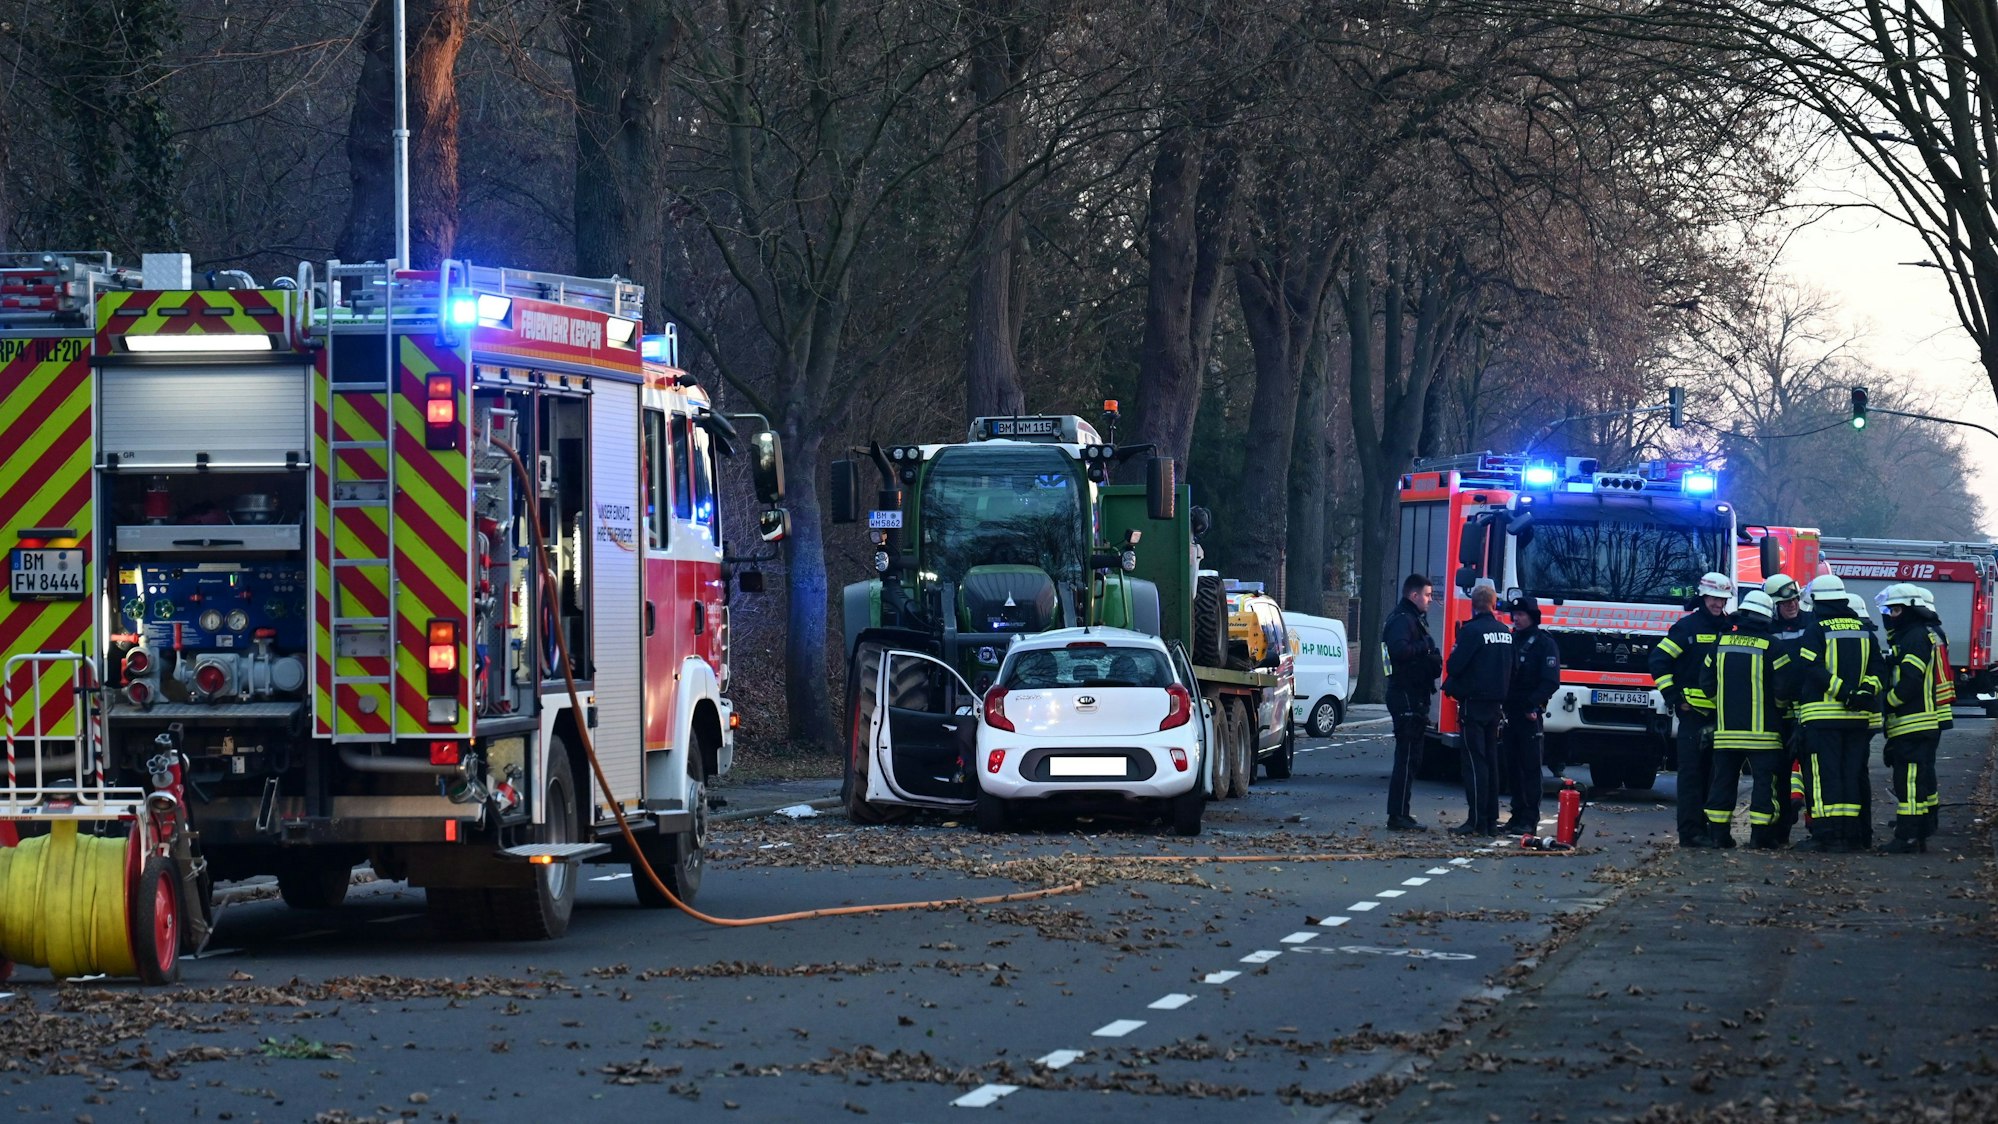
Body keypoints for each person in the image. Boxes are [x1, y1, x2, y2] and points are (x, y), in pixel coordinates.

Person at [1702, 590, 1826, 848]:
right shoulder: (1772, 646)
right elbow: (1783, 689)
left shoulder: (1720, 643)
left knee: (1722, 783)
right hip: (1764, 736)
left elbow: (1706, 684)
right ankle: (1760, 838)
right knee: (1764, 786)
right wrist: (1778, 709)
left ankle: (1718, 836)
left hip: (1725, 734)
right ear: (1767, 616)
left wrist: (1724, 706)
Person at [1793, 574, 1883, 853]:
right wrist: (1864, 692)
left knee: (1824, 776)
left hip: (1822, 718)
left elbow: (1813, 668)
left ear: (1817, 601)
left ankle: (1826, 835)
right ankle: (1850, 835)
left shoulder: (1815, 630)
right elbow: (1878, 670)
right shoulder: (1864, 630)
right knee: (1851, 774)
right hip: (1857, 719)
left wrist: (1844, 693)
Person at [1649, 572, 1733, 848]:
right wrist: (1674, 697)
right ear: (1702, 597)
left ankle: (1711, 830)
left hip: (1721, 716)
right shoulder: (1687, 628)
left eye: (1722, 599)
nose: (1718, 604)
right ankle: (1690, 832)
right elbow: (1659, 660)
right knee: (1691, 777)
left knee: (1716, 777)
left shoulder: (1730, 628)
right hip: (1694, 716)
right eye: (1713, 598)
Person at [1879, 583, 1946, 853]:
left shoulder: (1915, 637)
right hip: (1918, 723)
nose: (1891, 616)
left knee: (1907, 781)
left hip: (1913, 722)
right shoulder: (1917, 634)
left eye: (1896, 610)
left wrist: (1887, 703)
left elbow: (1910, 680)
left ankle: (1906, 836)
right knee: (1921, 780)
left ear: (1910, 610)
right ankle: (1922, 830)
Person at [1443, 583, 1513, 836]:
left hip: (1473, 704)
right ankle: (1491, 820)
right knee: (1491, 761)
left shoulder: (1471, 631)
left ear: (1474, 605)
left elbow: (1455, 665)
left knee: (1474, 762)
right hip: (1496, 705)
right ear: (1494, 604)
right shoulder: (1505, 632)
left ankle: (1476, 820)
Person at [1763, 574, 1822, 845]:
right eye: (1785, 602)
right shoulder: (1766, 628)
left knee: (1813, 772)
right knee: (1779, 773)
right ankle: (1780, 831)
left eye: (1795, 599)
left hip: (1809, 710)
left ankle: (1815, 828)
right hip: (1779, 713)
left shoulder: (1812, 623)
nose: (1792, 605)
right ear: (1773, 605)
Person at [1381, 573, 1442, 831]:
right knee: (1406, 758)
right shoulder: (1403, 620)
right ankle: (1398, 815)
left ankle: (1402, 812)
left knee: (1412, 758)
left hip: (1413, 694)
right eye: (1427, 595)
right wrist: (1425, 647)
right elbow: (1399, 651)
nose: (1430, 600)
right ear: (1414, 595)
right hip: (1405, 694)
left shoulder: (1410, 618)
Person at [1501, 593, 1560, 833]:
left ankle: (1529, 818)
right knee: (1512, 766)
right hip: (1510, 712)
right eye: (1514, 614)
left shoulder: (1545, 643)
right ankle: (1516, 815)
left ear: (1532, 617)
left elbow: (1550, 681)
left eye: (1521, 614)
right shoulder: (1511, 639)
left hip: (1529, 714)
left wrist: (1532, 704)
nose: (1516, 618)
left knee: (1530, 767)